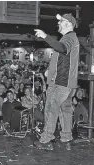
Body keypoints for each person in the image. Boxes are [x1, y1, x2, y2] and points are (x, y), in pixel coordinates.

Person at [34, 13, 79, 150]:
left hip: (61, 83)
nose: (58, 23)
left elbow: (62, 49)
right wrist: (49, 70)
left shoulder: (70, 38)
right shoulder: (67, 38)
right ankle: (66, 138)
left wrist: (45, 36)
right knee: (65, 110)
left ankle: (46, 139)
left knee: (50, 109)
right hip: (66, 83)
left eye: (61, 21)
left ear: (69, 24)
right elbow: (62, 58)